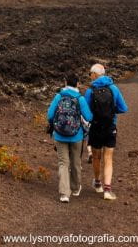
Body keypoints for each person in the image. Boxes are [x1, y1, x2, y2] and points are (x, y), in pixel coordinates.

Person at [84, 63, 128, 201]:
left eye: (90, 73)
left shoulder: (90, 91)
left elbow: (86, 111)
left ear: (95, 75)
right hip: (110, 126)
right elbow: (123, 108)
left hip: (96, 127)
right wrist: (111, 112)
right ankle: (108, 190)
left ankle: (98, 183)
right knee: (108, 158)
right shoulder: (113, 88)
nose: (90, 76)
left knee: (96, 157)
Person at [46, 73, 93, 203]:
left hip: (60, 136)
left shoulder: (58, 96)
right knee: (76, 162)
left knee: (63, 163)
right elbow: (88, 117)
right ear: (77, 84)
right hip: (76, 136)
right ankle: (75, 188)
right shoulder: (80, 98)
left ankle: (64, 194)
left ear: (65, 82)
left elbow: (49, 115)